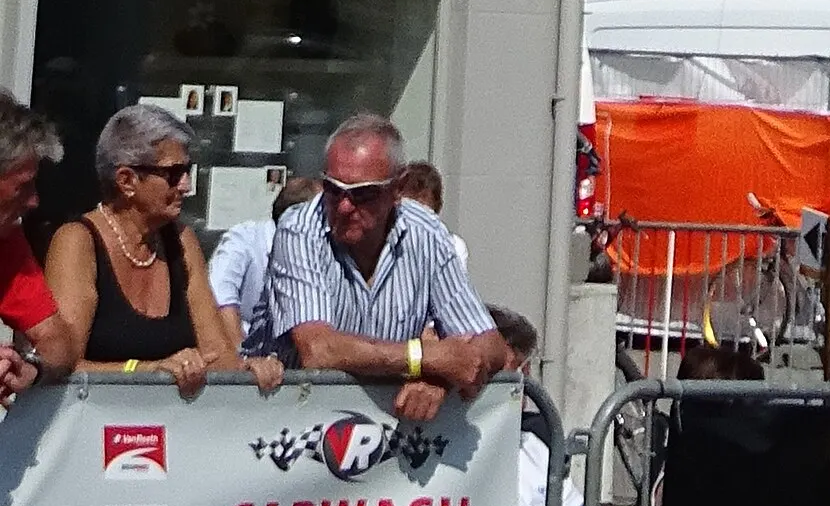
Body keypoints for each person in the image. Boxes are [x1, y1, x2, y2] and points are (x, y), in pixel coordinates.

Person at [266, 111, 510, 421]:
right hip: (294, 426)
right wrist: (423, 357)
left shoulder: (426, 233)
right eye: (332, 190)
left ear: (398, 188)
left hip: (386, 438)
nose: (343, 206)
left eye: (362, 194)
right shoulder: (299, 230)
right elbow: (319, 350)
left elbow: (490, 346)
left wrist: (438, 379)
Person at [45, 106, 255, 397]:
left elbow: (217, 355)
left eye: (188, 170)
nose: (186, 186)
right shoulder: (77, 242)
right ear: (127, 180)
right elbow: (62, 368)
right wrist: (146, 371)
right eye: (174, 173)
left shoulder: (182, 240)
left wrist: (251, 372)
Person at [491, 306, 651, 506]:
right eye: (512, 369)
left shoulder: (533, 446)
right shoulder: (458, 462)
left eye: (526, 368)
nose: (525, 381)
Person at [0, 95, 78, 400]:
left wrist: (30, 367)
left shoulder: (6, 241)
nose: (34, 201)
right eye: (23, 185)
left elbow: (58, 342)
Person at [210, 174, 319, 357]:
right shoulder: (244, 239)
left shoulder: (324, 249)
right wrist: (241, 363)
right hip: (245, 355)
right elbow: (219, 298)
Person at [401, 162, 472, 272]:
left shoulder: (452, 247)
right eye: (410, 207)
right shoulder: (387, 247)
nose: (416, 215)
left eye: (422, 209)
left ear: (437, 207)